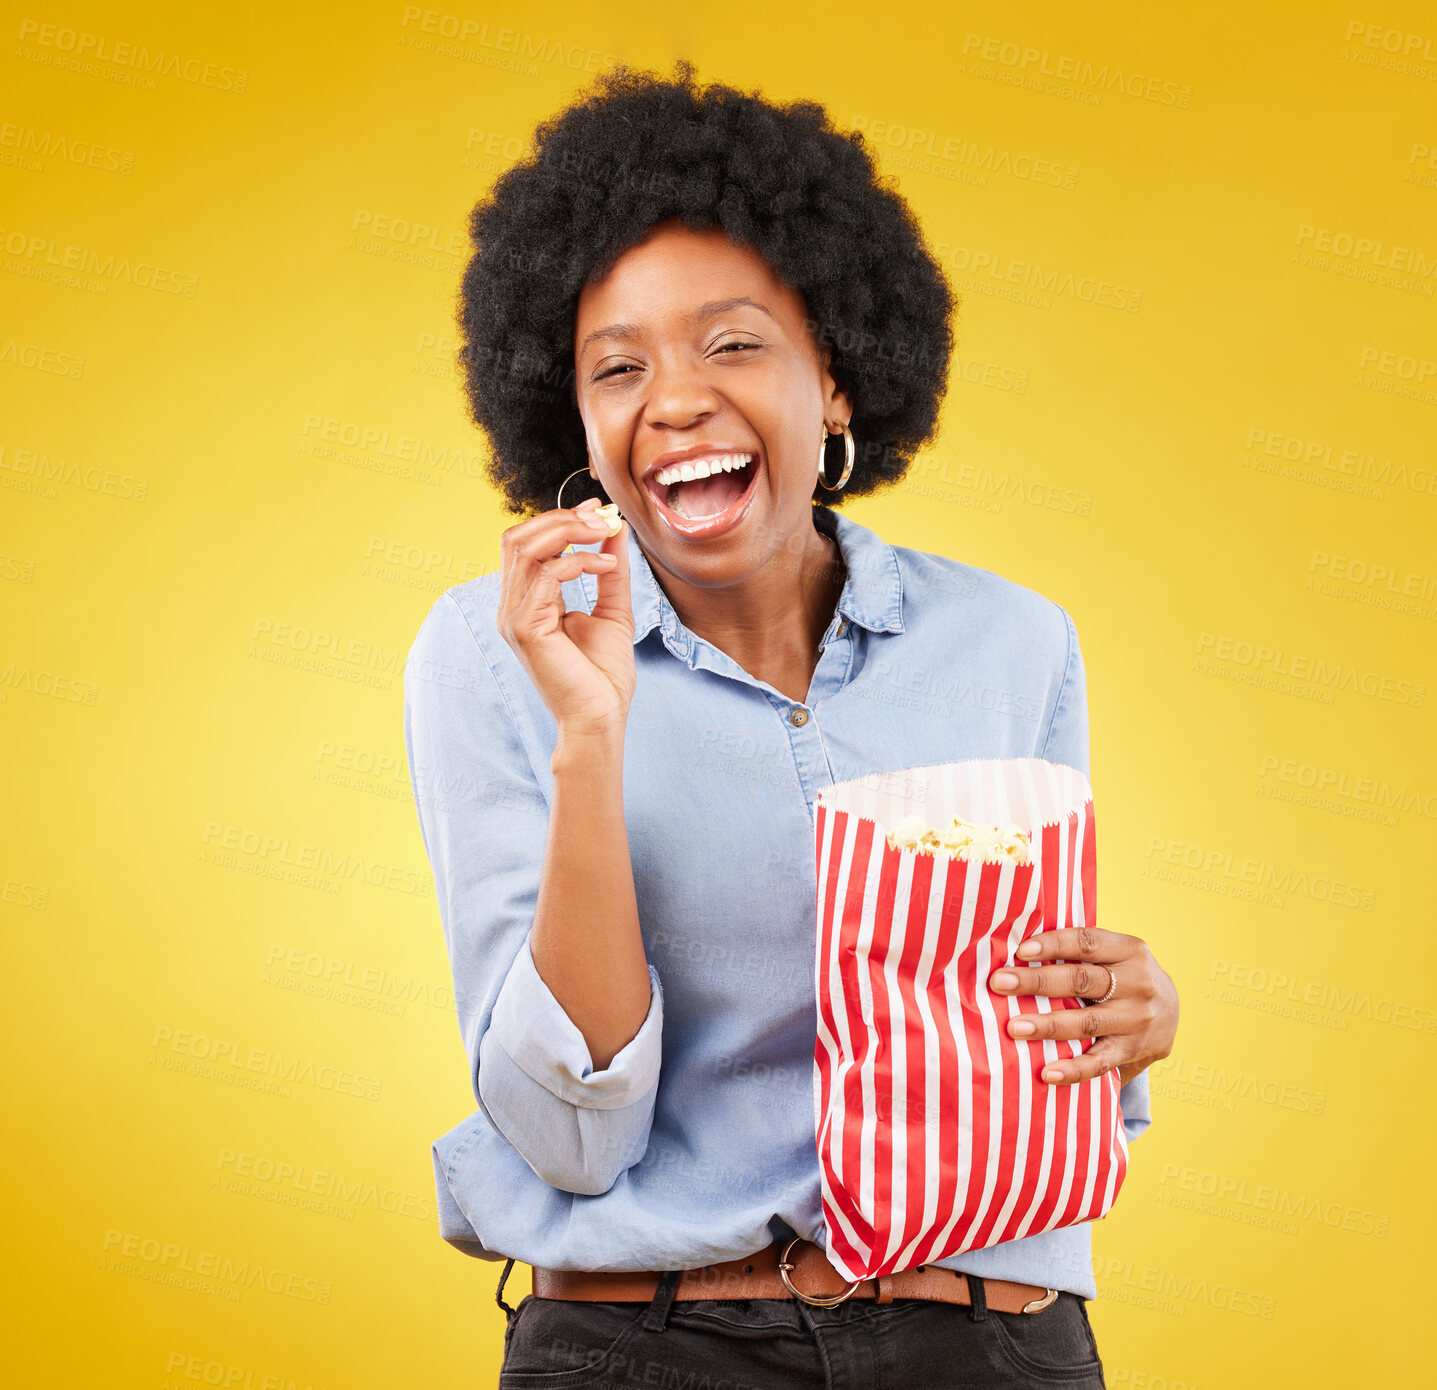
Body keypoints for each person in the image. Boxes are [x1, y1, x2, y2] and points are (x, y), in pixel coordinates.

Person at [403, 62, 1179, 1389]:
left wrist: (1124, 1014)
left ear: (834, 378)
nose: (677, 397)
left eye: (733, 341)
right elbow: (570, 1138)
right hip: (648, 1343)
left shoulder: (1010, 642)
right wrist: (595, 736)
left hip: (986, 1342)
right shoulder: (491, 652)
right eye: (617, 366)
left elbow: (1033, 1065)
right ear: (575, 424)